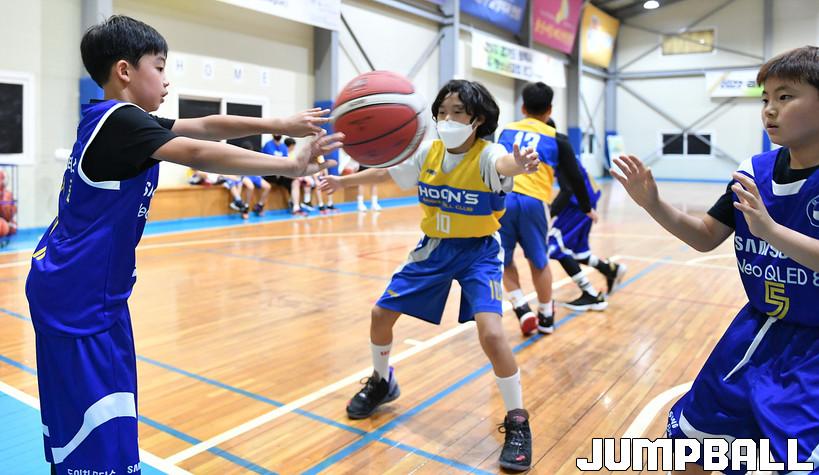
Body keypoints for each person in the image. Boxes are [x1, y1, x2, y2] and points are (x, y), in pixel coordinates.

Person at [24, 15, 342, 475]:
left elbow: (206, 125)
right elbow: (196, 150)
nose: (167, 79)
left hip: (78, 288)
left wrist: (281, 123)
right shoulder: (121, 122)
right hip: (81, 299)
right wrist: (290, 168)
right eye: (159, 67)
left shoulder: (111, 119)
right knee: (97, 434)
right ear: (124, 71)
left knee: (85, 427)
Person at [612, 46, 819, 474]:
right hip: (756, 333)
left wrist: (771, 231)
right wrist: (654, 204)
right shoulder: (754, 172)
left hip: (813, 352)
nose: (770, 109)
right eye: (765, 98)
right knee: (692, 450)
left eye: (785, 96)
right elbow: (706, 236)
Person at [321, 79, 540, 472]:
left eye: (457, 112)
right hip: (435, 248)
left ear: (478, 120)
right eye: (442, 112)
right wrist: (342, 182)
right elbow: (385, 175)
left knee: (492, 334)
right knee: (380, 315)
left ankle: (518, 421)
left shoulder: (489, 155)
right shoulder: (427, 152)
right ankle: (382, 381)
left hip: (479, 253)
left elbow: (505, 165)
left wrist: (519, 165)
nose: (447, 119)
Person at [496, 82, 593, 336]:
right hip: (534, 202)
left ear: (523, 107)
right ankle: (546, 316)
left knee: (504, 260)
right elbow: (575, 178)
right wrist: (586, 207)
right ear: (550, 110)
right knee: (539, 262)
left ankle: (521, 307)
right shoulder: (557, 139)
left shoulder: (506, 131)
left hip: (503, 198)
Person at [546, 118, 626, 312]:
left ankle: (590, 294)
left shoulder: (557, 151)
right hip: (585, 202)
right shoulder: (562, 147)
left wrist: (550, 212)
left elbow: (567, 189)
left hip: (579, 206)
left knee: (555, 246)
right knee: (577, 252)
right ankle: (610, 269)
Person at [237, 140, 273, 216]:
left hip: (254, 175)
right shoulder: (239, 158)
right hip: (244, 176)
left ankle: (259, 205)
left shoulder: (253, 157)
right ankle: (246, 207)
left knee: (268, 186)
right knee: (250, 187)